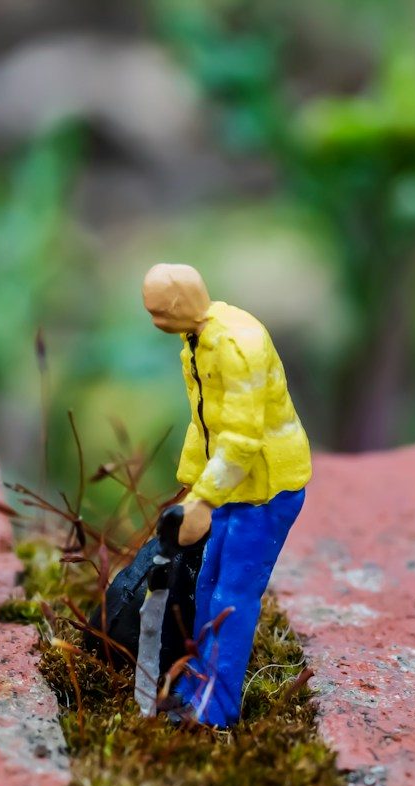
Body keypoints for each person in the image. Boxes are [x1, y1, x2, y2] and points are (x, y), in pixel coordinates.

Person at [142, 263, 312, 727]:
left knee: (232, 595)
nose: (154, 321)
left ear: (177, 306)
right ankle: (196, 683)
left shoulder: (238, 346)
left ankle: (217, 707)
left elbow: (240, 441)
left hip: (267, 490)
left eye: (158, 312)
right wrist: (190, 486)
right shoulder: (195, 342)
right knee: (206, 586)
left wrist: (204, 501)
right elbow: (205, 425)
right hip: (233, 486)